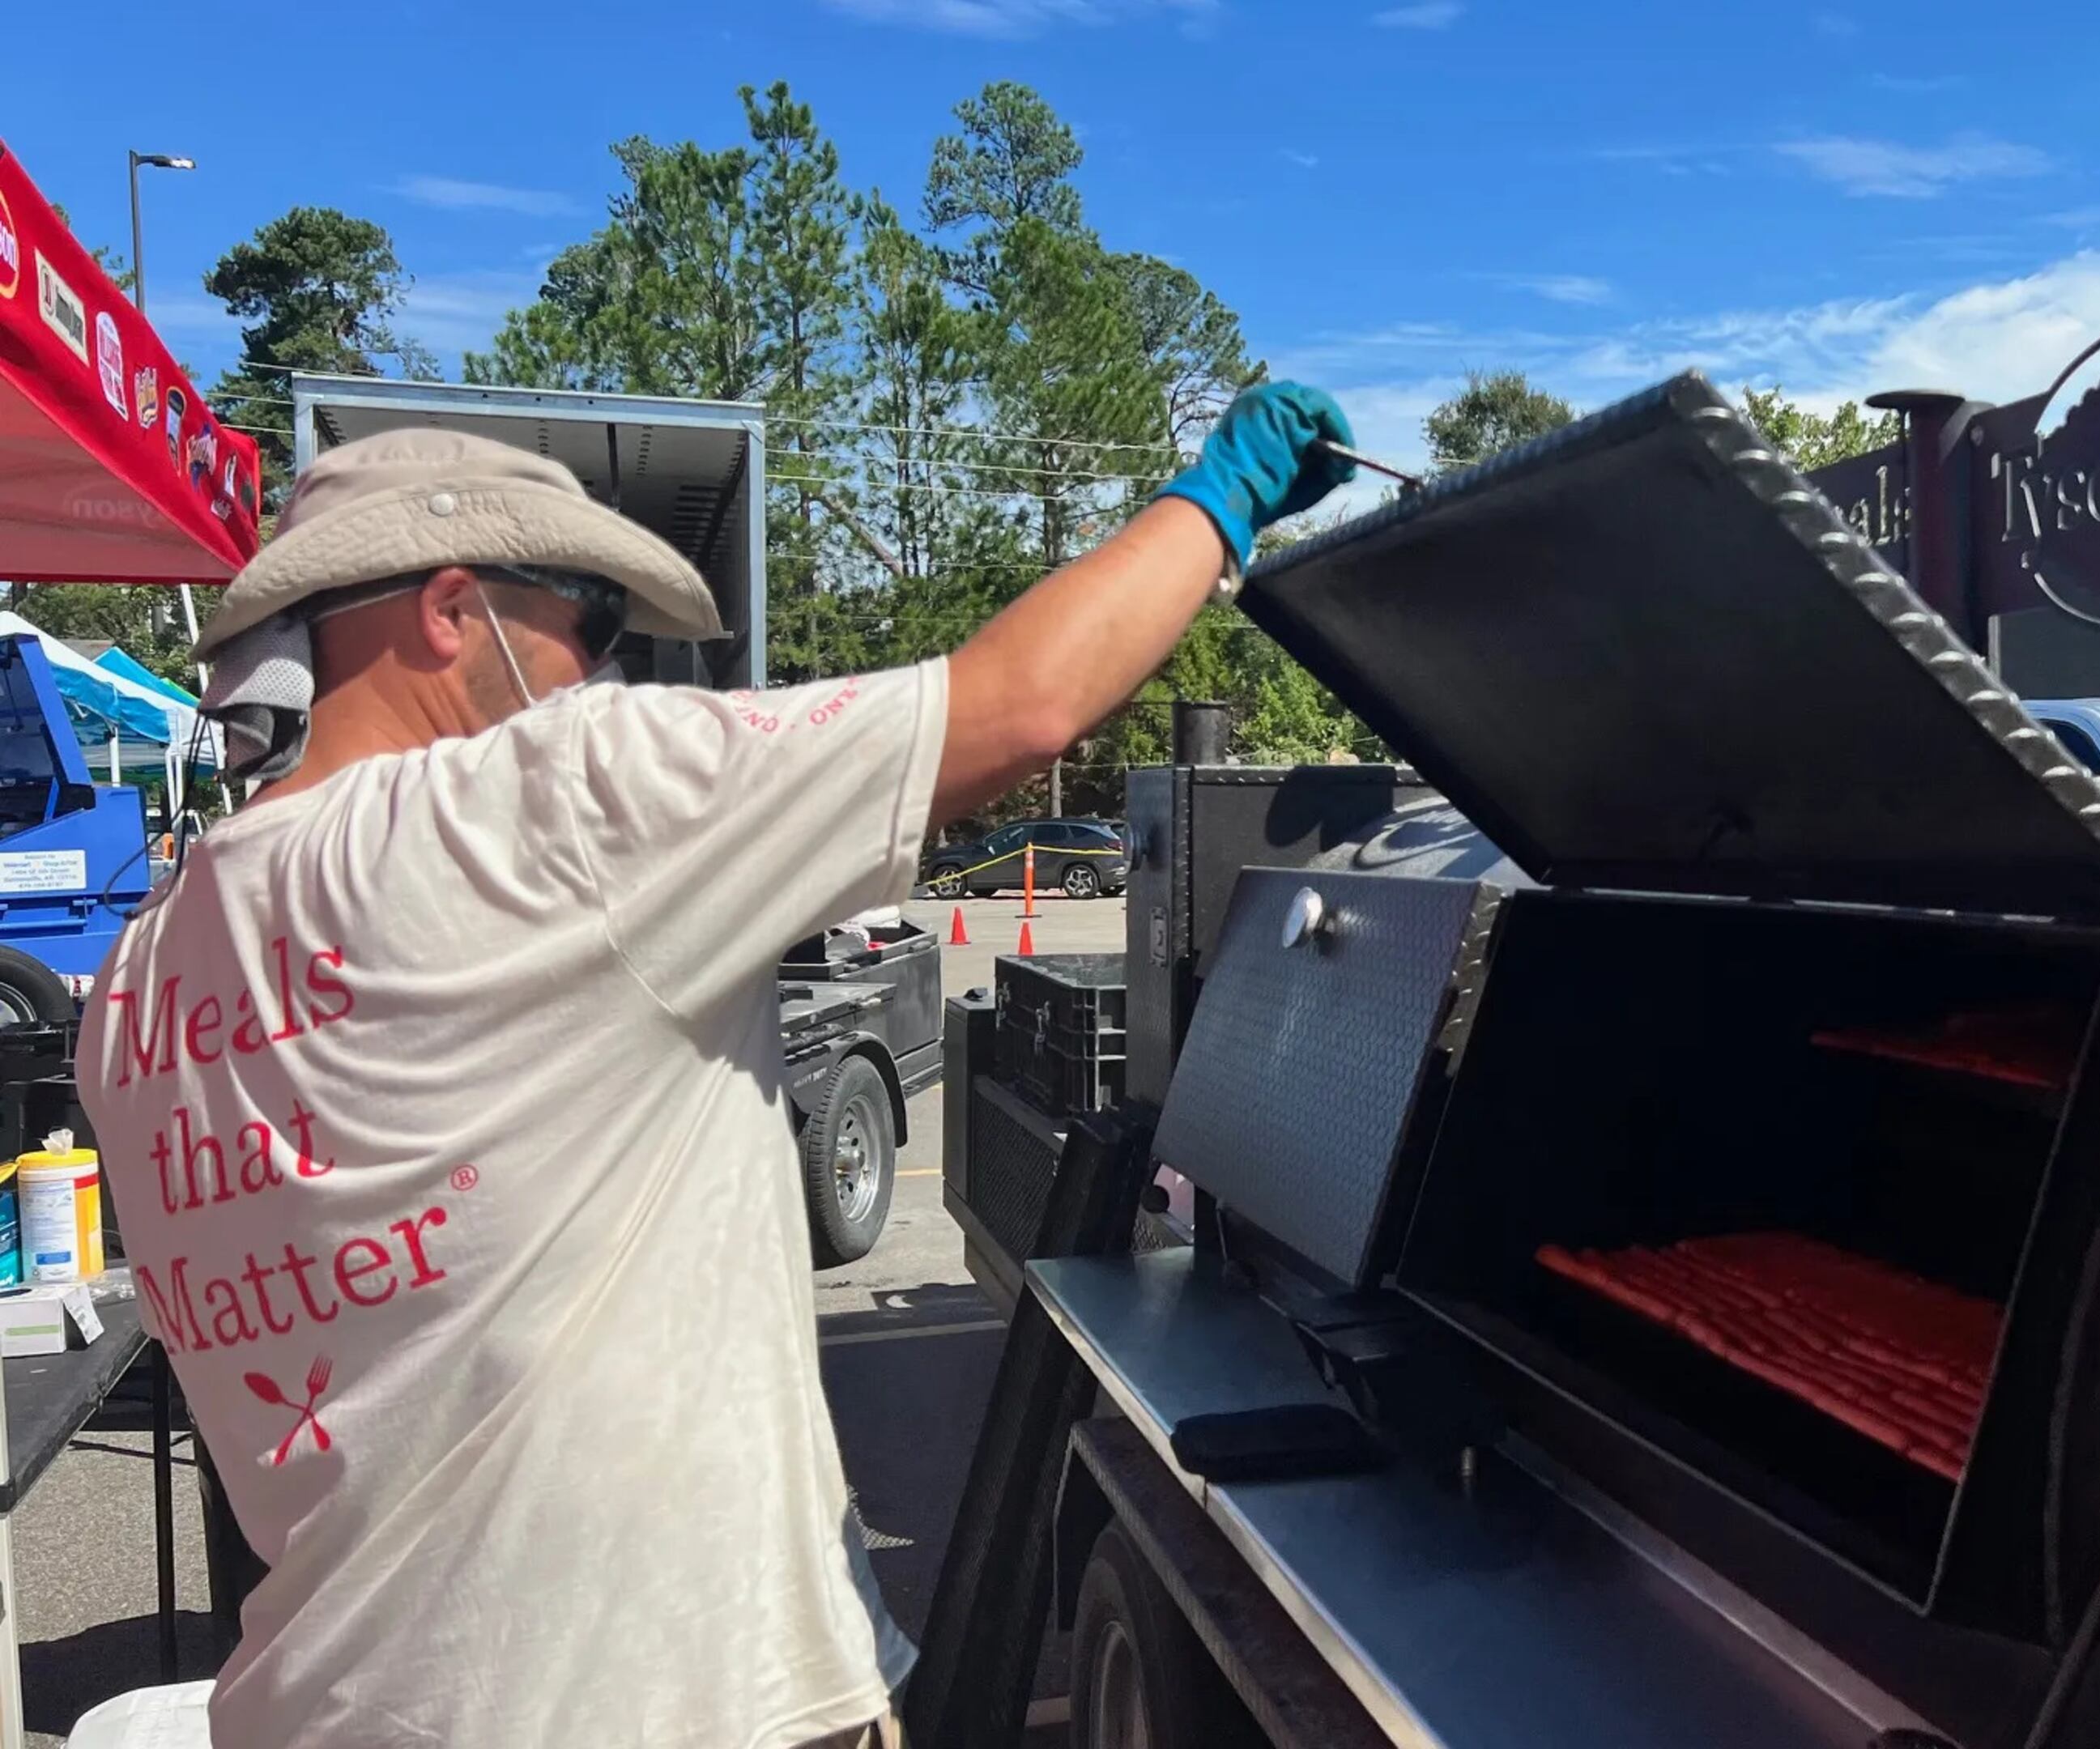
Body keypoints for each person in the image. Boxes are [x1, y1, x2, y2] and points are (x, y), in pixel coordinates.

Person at [76, 384, 1358, 1749]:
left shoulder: (141, 974)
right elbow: (1021, 706)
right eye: (590, 622)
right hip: (666, 1707)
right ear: (450, 611)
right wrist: (1219, 504)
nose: (603, 673)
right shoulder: (543, 807)